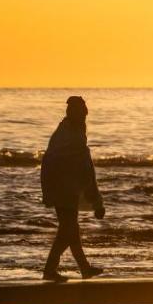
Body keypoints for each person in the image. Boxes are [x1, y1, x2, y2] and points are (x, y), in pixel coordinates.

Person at [40, 96, 105, 282]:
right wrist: (96, 200)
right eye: (82, 114)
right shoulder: (70, 136)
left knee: (71, 230)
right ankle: (50, 270)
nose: (85, 117)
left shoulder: (68, 132)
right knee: (67, 230)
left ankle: (84, 268)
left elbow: (81, 167)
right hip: (63, 189)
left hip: (64, 188)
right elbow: (85, 169)